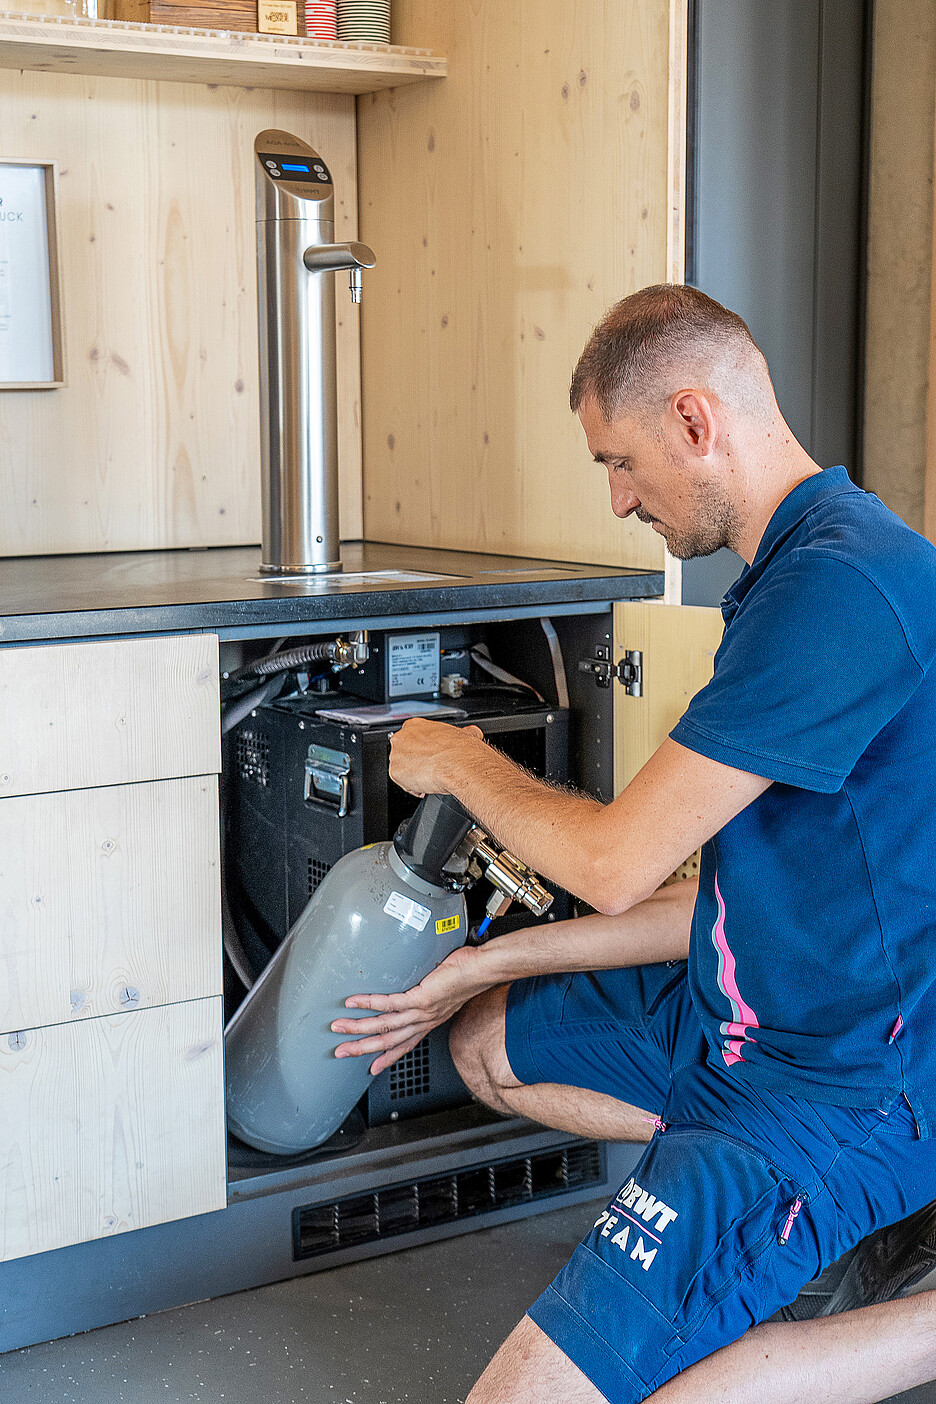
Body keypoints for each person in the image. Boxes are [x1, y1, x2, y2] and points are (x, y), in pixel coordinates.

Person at [331, 284, 936, 1404]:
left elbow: (614, 863)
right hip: (731, 1019)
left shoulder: (843, 589)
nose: (618, 501)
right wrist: (479, 963)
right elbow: (711, 898)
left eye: (619, 461)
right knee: (485, 1045)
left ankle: (883, 1285)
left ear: (695, 422)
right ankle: (766, 1233)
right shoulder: (788, 574)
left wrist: (461, 760)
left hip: (835, 1089)